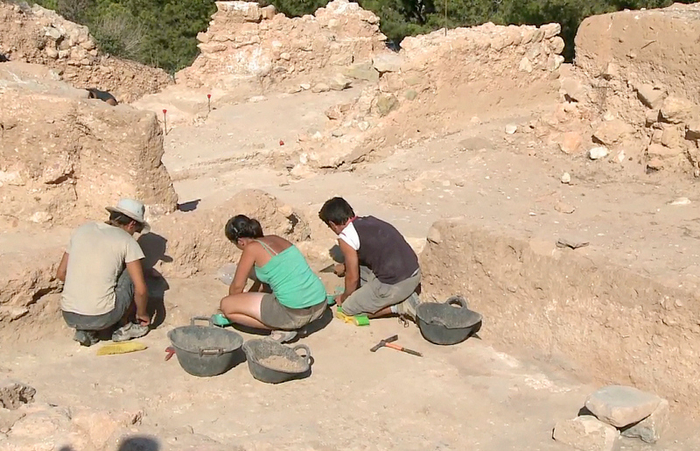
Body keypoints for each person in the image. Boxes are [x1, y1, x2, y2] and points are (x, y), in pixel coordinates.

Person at [56, 199, 151, 347]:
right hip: (103, 316)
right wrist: (142, 314)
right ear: (132, 224)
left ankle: (86, 331)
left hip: (69, 315)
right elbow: (141, 290)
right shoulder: (127, 241)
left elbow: (61, 273)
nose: (134, 234)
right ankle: (124, 327)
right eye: (136, 230)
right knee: (132, 272)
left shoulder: (82, 230)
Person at [219, 215, 327, 343]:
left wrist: (234, 302)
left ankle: (286, 328)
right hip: (320, 304)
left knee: (227, 306)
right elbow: (266, 281)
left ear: (240, 241)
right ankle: (293, 324)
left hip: (295, 314)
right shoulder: (275, 239)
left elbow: (237, 287)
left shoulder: (251, 248)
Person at [318, 197, 421, 321]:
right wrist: (345, 267)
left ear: (332, 224)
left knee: (347, 309)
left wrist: (344, 297)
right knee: (358, 271)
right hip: (414, 274)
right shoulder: (370, 221)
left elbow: (353, 278)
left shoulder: (346, 237)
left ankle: (400, 306)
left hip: (397, 284)